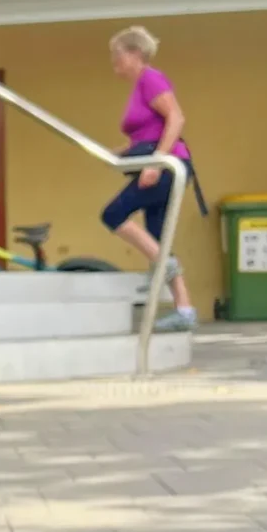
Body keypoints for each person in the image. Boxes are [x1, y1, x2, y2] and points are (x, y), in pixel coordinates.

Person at [100, 26, 198, 328]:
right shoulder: (141, 86)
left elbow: (176, 118)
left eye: (118, 54)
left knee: (113, 214)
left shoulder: (150, 78)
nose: (114, 60)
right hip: (163, 165)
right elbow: (148, 132)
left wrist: (154, 164)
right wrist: (122, 153)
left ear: (135, 53)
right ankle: (185, 311)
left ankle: (165, 266)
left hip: (168, 168)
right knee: (158, 238)